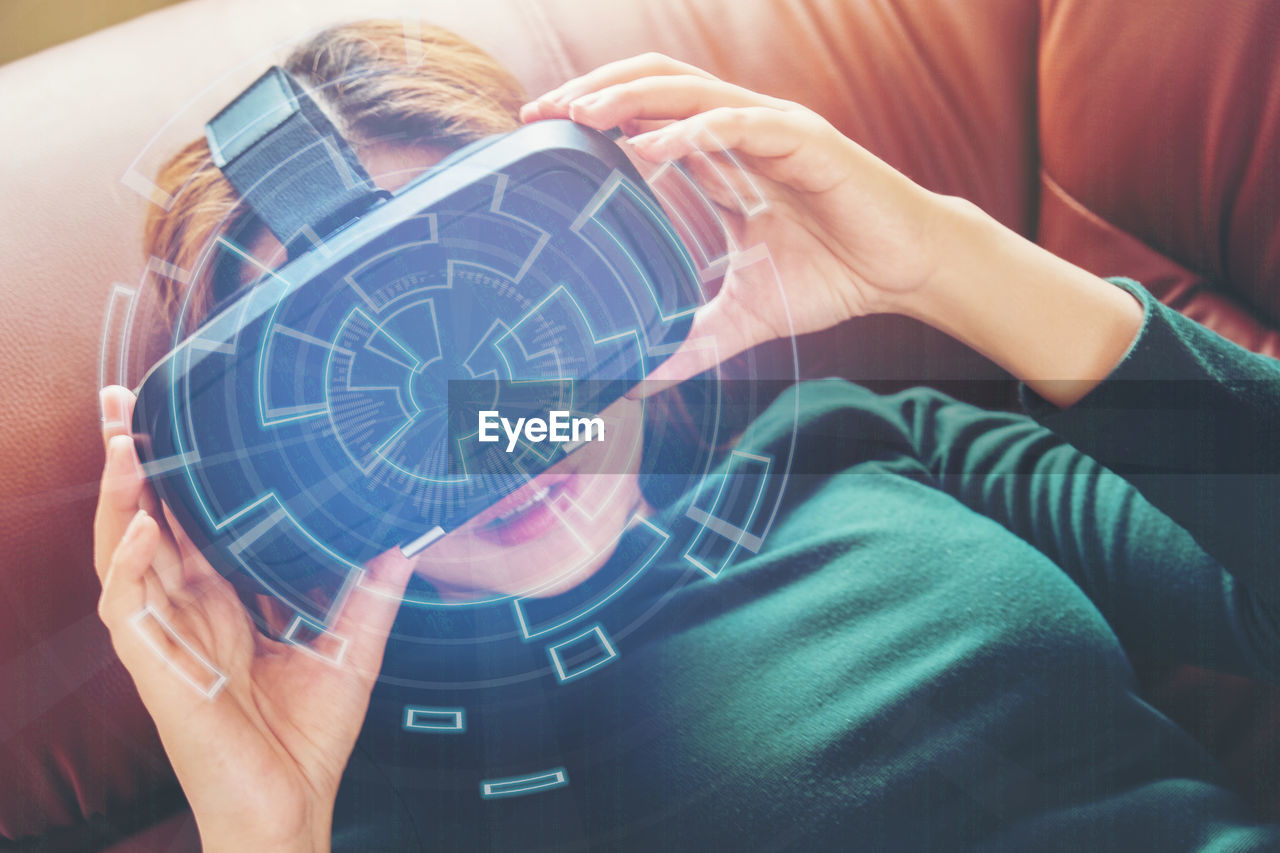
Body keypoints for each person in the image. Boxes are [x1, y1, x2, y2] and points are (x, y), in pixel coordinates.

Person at [94, 22, 1280, 852]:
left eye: (492, 308)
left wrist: (941, 261)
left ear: (595, 265)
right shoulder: (336, 765)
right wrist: (265, 833)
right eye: (368, 397)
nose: (482, 423)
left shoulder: (852, 445)